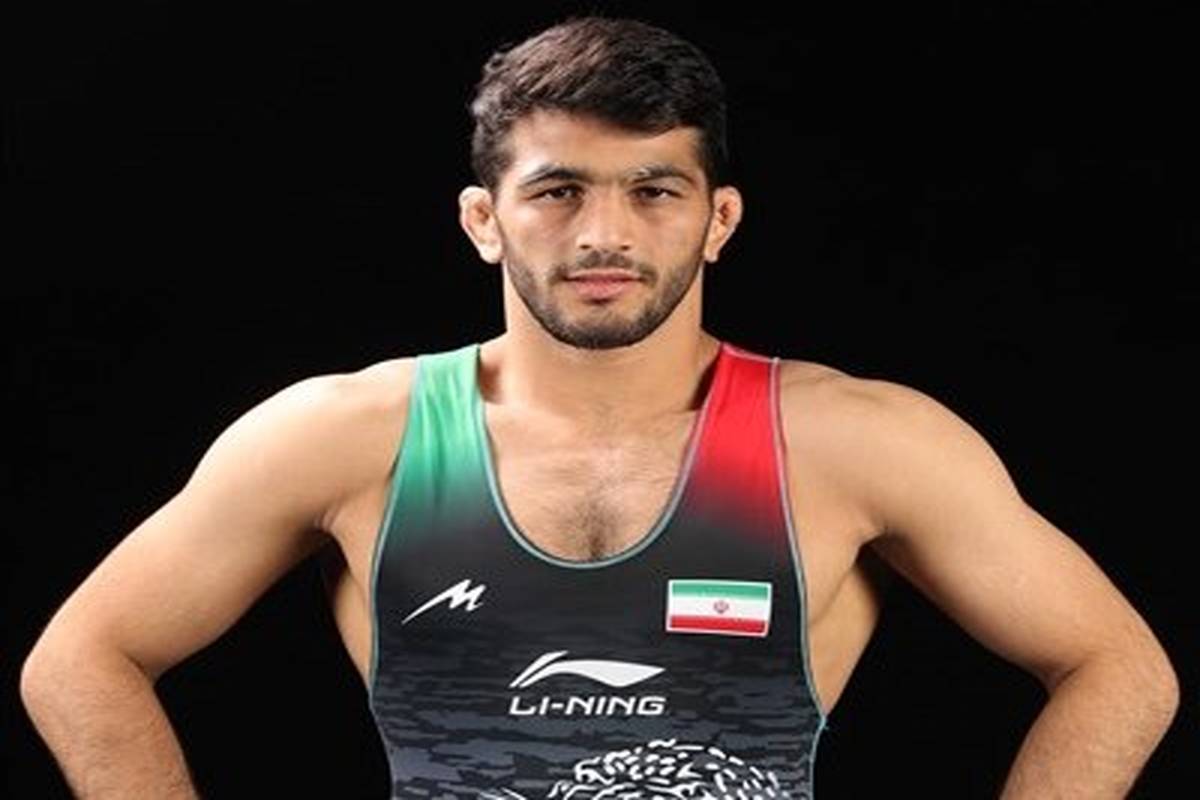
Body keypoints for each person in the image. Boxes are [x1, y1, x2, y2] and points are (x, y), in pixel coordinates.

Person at [20, 14, 1178, 800]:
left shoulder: (857, 440)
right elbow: (80, 657)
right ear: (484, 220)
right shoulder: (346, 434)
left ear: (719, 219)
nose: (605, 233)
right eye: (558, 190)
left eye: (654, 189)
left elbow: (1118, 667)